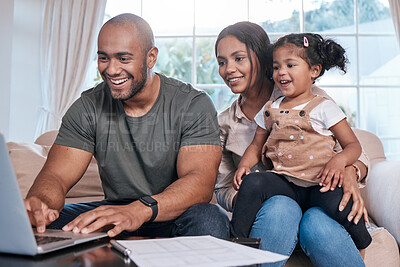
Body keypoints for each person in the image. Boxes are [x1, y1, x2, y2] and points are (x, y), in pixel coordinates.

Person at [24, 13, 229, 239]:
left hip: (174, 214)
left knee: (210, 218)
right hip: (117, 211)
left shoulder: (192, 104)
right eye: (104, 58)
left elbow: (199, 182)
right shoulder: (87, 107)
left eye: (123, 59)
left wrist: (139, 210)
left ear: (151, 58)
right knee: (29, 224)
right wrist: (41, 205)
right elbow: (56, 176)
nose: (111, 70)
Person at [215, 22, 370, 266]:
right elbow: (223, 187)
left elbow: (355, 149)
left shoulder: (312, 98)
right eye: (221, 62)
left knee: (315, 221)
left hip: (317, 195)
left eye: (239, 58)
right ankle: (237, 248)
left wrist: (350, 170)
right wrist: (250, 196)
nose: (229, 69)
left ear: (260, 59)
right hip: (272, 210)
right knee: (281, 206)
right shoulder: (230, 120)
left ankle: (362, 243)